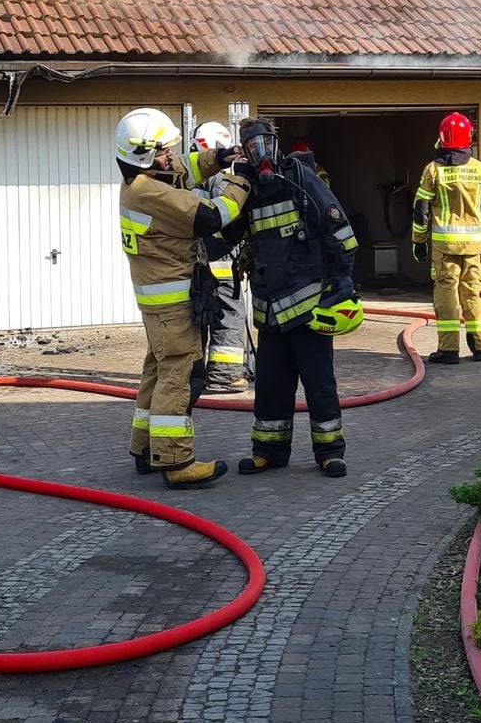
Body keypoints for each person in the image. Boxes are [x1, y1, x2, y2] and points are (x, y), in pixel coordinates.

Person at [115, 108, 249, 486]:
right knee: (181, 374)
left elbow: (183, 168)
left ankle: (145, 448)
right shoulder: (153, 194)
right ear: (145, 154)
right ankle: (175, 461)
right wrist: (242, 180)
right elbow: (213, 216)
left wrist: (218, 158)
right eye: (163, 150)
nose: (170, 155)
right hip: (173, 303)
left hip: (157, 302)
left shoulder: (141, 179)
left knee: (157, 370)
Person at [233, 118, 362, 479]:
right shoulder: (246, 189)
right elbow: (223, 236)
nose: (261, 153)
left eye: (265, 143)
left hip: (309, 307)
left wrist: (341, 284)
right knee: (270, 385)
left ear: (276, 143)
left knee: (319, 383)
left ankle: (330, 452)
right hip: (270, 310)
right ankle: (268, 451)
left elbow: (341, 232)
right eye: (252, 147)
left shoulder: (301, 178)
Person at [411, 112, 481, 363]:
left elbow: (421, 210)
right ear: (469, 136)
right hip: (474, 246)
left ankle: (448, 350)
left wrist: (418, 242)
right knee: (473, 294)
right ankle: (480, 347)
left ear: (442, 137)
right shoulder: (480, 170)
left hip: (445, 247)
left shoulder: (433, 170)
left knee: (446, 294)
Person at [191, 118, 253, 394]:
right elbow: (229, 218)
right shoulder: (218, 181)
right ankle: (225, 377)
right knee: (228, 315)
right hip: (221, 263)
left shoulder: (185, 179)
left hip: (194, 265)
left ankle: (192, 375)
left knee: (196, 319)